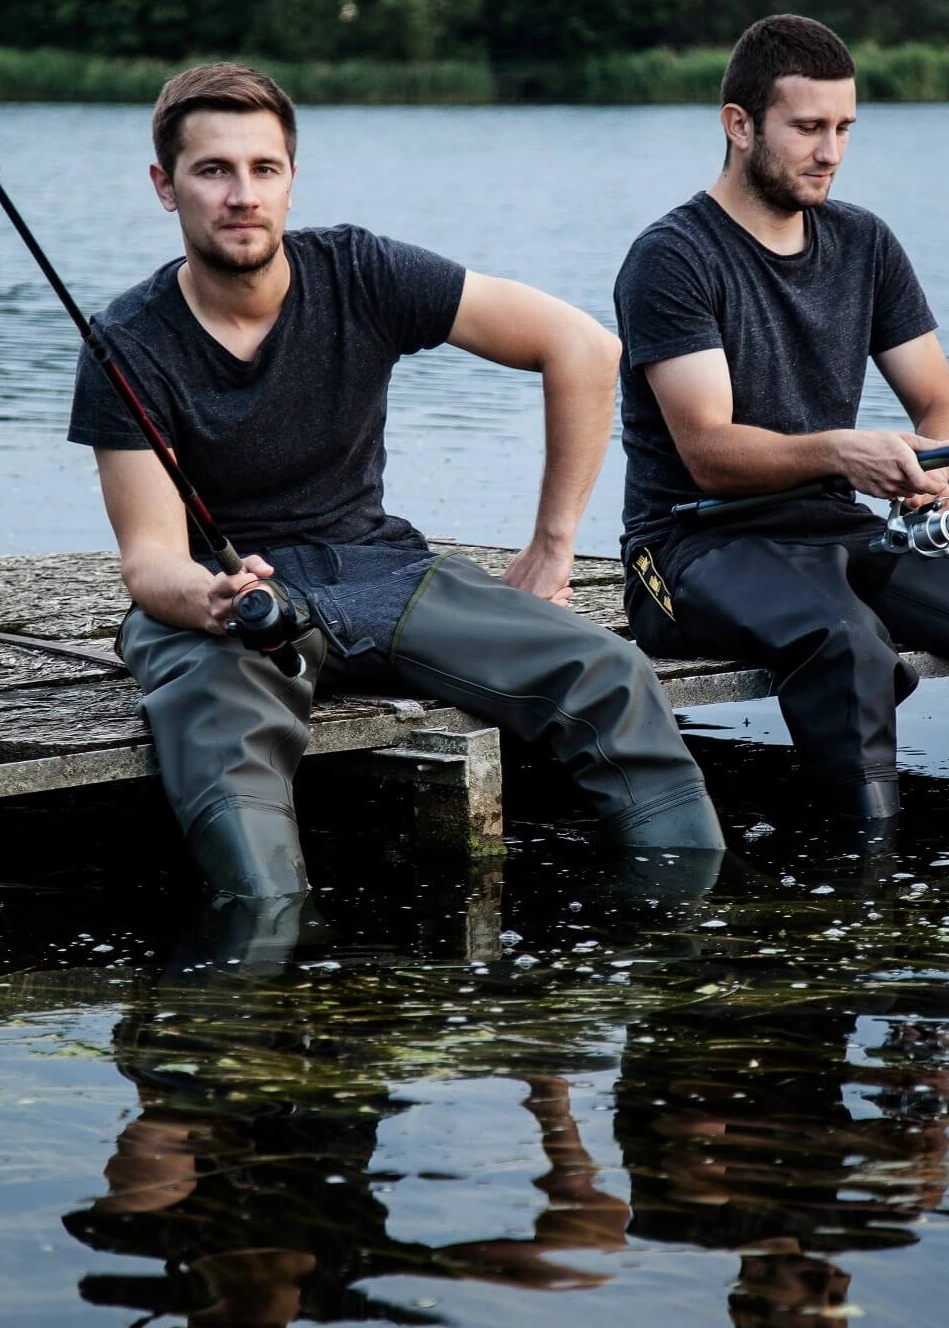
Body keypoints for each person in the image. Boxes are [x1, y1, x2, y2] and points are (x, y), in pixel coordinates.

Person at [68, 62, 722, 899]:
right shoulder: (126, 342)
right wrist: (211, 598)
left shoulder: (359, 271)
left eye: (264, 169)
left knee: (611, 674)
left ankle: (694, 926)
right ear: (166, 186)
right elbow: (151, 560)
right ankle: (262, 947)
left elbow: (583, 347)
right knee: (227, 763)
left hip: (380, 570)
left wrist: (553, 548)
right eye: (213, 171)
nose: (243, 195)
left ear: (292, 180)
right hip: (230, 608)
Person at [613, 14, 949, 827]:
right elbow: (710, 451)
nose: (830, 151)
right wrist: (843, 451)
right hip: (689, 549)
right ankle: (867, 869)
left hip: (836, 529)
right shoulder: (673, 257)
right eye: (807, 128)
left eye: (844, 128)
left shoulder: (864, 242)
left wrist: (935, 466)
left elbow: (940, 407)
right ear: (739, 125)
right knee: (847, 644)